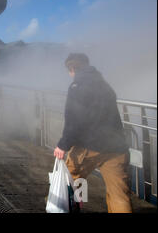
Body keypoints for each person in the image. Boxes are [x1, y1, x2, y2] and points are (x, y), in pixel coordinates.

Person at [54, 53, 132, 213]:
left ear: (72, 68)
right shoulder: (104, 84)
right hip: (116, 147)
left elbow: (73, 120)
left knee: (68, 183)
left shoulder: (77, 86)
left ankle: (71, 208)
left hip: (88, 147)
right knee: (119, 195)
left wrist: (63, 145)